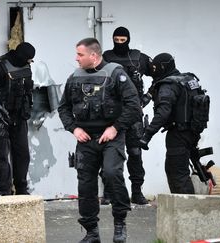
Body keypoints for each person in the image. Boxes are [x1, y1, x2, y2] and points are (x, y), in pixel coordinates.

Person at [58, 37, 141, 243]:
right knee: (85, 185)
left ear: (93, 56)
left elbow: (134, 106)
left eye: (80, 54)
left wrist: (115, 128)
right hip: (85, 139)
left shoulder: (115, 73)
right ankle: (91, 232)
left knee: (112, 174)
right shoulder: (75, 77)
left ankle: (120, 223)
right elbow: (63, 108)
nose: (76, 59)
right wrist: (74, 128)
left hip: (111, 136)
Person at [139, 53, 205, 194]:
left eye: (155, 67)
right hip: (192, 132)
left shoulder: (168, 85)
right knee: (179, 170)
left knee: (177, 173)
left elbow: (163, 113)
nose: (153, 70)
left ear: (163, 67)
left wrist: (147, 135)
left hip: (178, 134)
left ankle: (186, 212)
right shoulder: (188, 79)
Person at [101, 26, 153, 205]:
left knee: (135, 152)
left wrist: (148, 97)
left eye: (123, 40)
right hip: (111, 114)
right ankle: (108, 192)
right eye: (117, 40)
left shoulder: (139, 58)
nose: (120, 44)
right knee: (110, 153)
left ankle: (137, 192)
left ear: (128, 40)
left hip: (134, 114)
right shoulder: (106, 58)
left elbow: (161, 75)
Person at [0, 42, 35, 195]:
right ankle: (5, 192)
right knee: (2, 155)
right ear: (22, 56)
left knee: (22, 154)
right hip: (0, 117)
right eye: (28, 59)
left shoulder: (26, 67)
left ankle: (21, 189)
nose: (29, 62)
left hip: (19, 117)